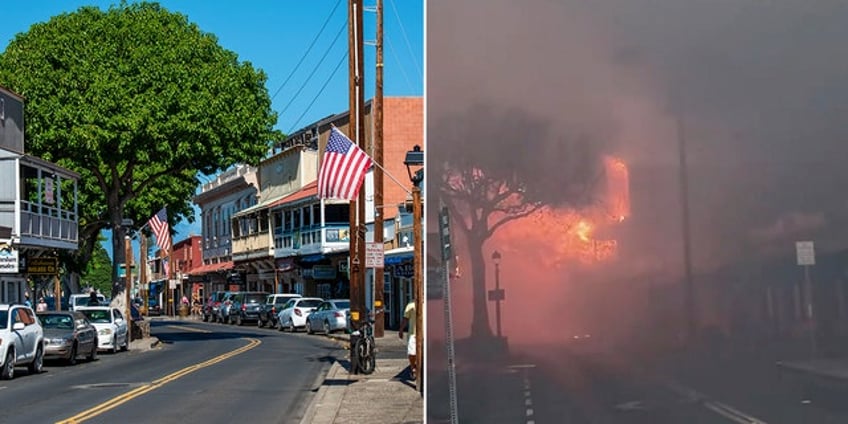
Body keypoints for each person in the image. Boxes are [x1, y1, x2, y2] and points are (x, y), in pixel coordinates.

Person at [398, 300, 417, 380]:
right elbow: (405, 318)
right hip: (413, 333)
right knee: (411, 353)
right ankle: (413, 367)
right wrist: (401, 330)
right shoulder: (410, 305)